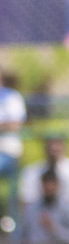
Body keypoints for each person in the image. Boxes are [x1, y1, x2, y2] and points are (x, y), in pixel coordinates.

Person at [14, 168, 69, 244]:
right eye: (46, 184)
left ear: (58, 185)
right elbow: (22, 239)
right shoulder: (31, 209)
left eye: (52, 184)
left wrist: (54, 229)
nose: (49, 187)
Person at [18, 136, 69, 217]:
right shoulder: (31, 171)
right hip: (39, 220)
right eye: (51, 143)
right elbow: (25, 203)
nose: (53, 147)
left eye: (57, 143)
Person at [0, 71, 25, 211]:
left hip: (8, 152)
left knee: (13, 196)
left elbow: (15, 124)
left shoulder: (12, 97)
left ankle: (15, 231)